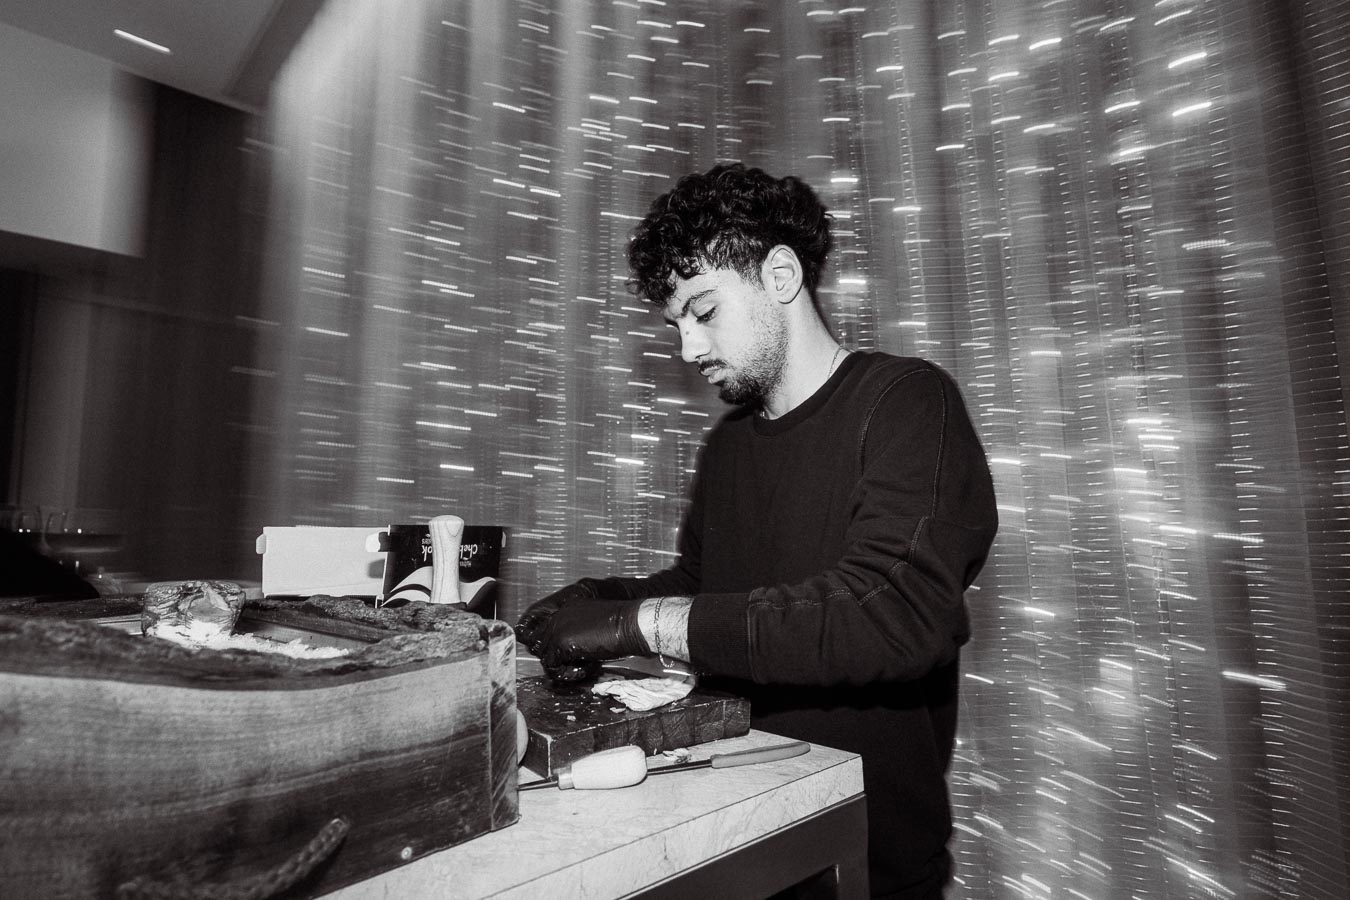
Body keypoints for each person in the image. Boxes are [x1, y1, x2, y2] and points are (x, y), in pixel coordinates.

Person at [516, 163, 998, 899]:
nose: (687, 348)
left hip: (866, 864)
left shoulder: (907, 403)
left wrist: (635, 623)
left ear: (779, 275)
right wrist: (600, 600)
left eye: (703, 311)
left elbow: (893, 613)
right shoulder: (729, 443)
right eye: (676, 323)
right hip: (738, 837)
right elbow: (704, 589)